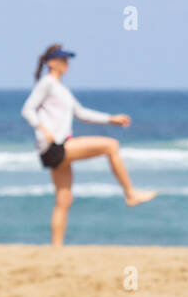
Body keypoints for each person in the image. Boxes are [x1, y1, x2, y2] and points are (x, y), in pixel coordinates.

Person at [21, 44, 157, 247]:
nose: (66, 63)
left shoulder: (61, 89)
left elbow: (82, 113)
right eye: (62, 59)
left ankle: (56, 247)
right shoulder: (47, 84)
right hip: (55, 146)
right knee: (110, 146)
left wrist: (111, 119)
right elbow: (27, 110)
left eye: (67, 60)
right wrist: (42, 128)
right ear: (51, 62)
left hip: (56, 148)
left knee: (64, 199)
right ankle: (130, 193)